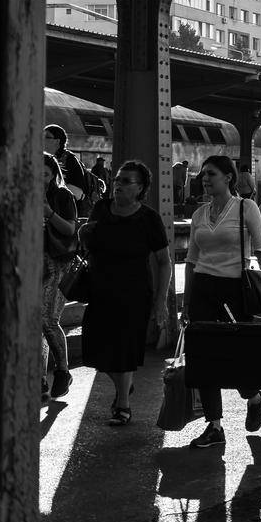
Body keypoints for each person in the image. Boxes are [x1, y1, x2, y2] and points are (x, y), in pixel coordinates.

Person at [183, 155, 261, 448]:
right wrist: (186, 301)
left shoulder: (245, 207)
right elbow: (191, 260)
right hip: (202, 289)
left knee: (236, 356)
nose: (205, 178)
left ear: (228, 177)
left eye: (211, 173)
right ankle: (215, 426)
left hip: (233, 290)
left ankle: (253, 395)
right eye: (202, 175)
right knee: (204, 359)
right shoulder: (199, 214)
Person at [79, 161, 170, 425]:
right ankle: (124, 386)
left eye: (126, 181)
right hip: (100, 289)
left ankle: (123, 405)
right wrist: (83, 233)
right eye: (117, 179)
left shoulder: (149, 218)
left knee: (124, 349)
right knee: (94, 349)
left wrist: (160, 300)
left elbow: (164, 262)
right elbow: (90, 240)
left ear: (140, 188)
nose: (118, 184)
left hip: (134, 292)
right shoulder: (101, 209)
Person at [42, 152, 80, 402]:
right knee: (34, 322)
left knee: (48, 319)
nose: (40, 178)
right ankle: (39, 381)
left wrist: (48, 213)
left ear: (53, 174)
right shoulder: (22, 191)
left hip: (58, 263)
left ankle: (63, 371)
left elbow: (70, 229)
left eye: (45, 173)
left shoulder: (63, 196)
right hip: (32, 262)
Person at [43, 124, 91, 216]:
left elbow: (79, 191)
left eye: (46, 137)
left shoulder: (70, 160)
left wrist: (59, 188)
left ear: (57, 141)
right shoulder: (41, 157)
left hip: (65, 210)